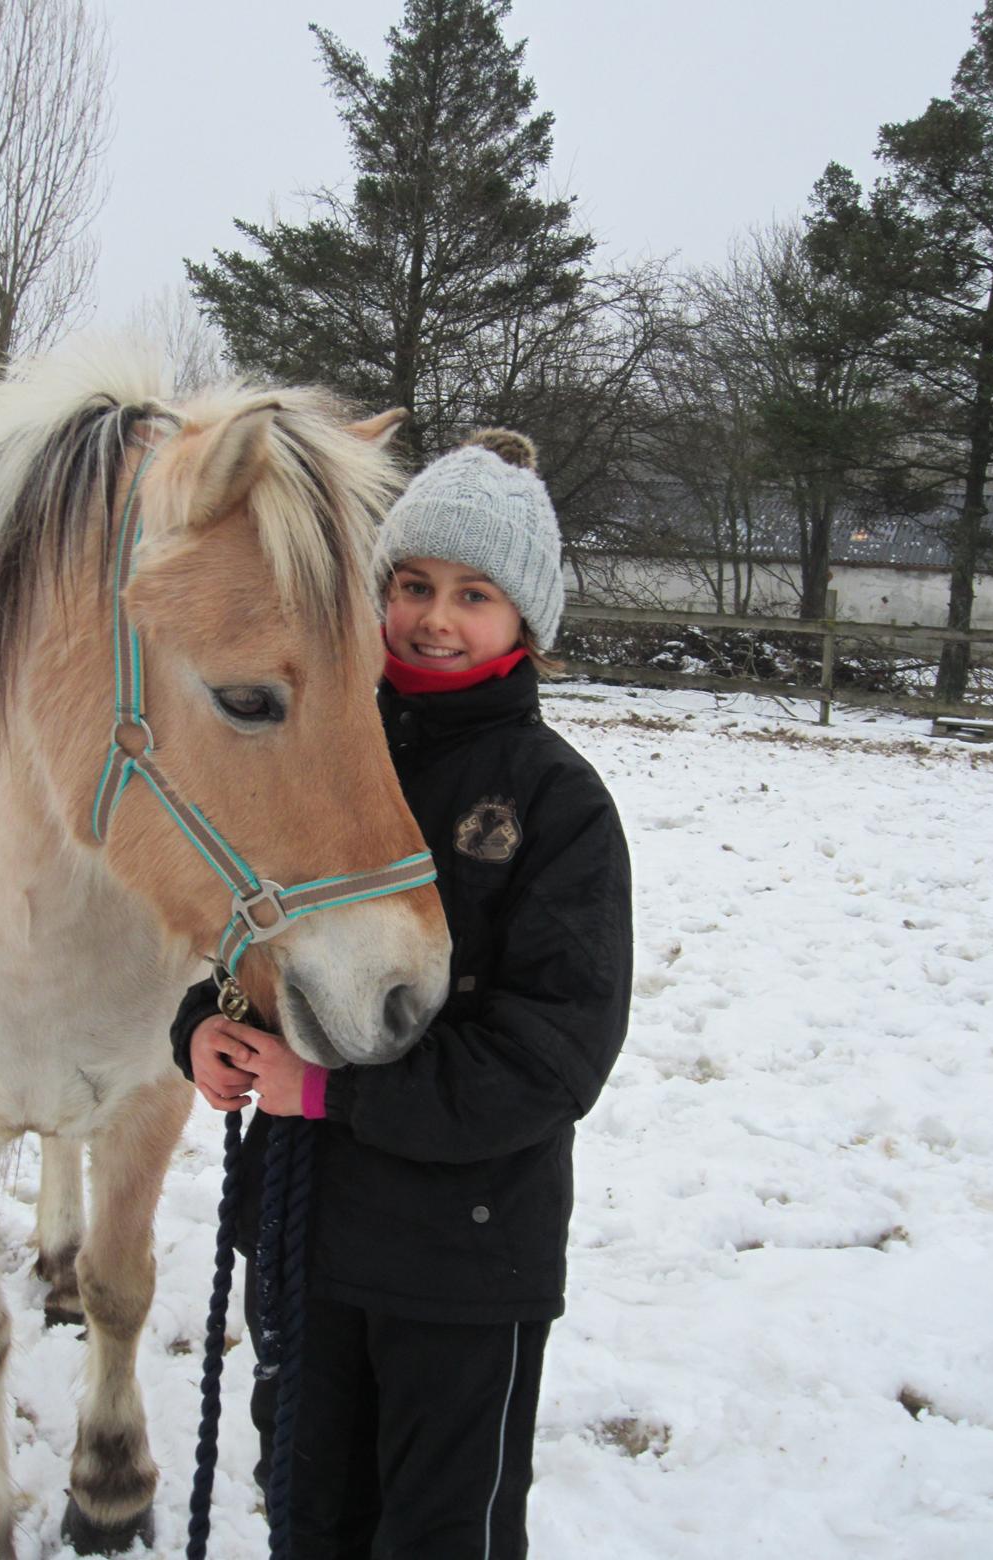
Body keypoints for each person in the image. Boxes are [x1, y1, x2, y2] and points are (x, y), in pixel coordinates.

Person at [170, 428, 633, 1559]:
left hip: (463, 1267)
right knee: (310, 1517)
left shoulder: (556, 804)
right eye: (413, 584)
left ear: (528, 622)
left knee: (439, 1534)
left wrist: (328, 1095)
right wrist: (205, 1026)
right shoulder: (315, 750)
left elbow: (551, 1059)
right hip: (306, 1241)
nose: (434, 616)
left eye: (474, 594)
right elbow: (245, 925)